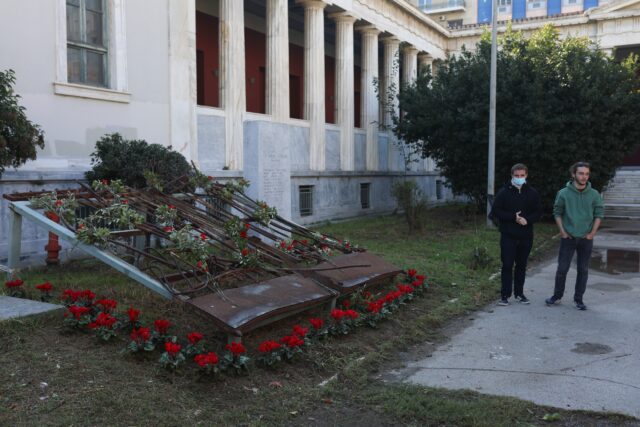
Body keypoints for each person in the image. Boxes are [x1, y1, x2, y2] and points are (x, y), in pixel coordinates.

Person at [546, 162, 604, 310]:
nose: (584, 176)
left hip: (586, 239)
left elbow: (599, 214)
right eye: (581, 173)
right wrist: (563, 232)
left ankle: (579, 300)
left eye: (586, 174)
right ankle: (557, 296)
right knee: (562, 269)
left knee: (583, 270)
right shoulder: (564, 193)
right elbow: (557, 212)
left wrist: (592, 233)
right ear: (573, 174)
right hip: (569, 238)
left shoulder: (594, 194)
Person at [490, 163, 542, 306]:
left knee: (521, 265)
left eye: (522, 176)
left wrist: (527, 220)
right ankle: (505, 295)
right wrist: (513, 217)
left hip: (526, 236)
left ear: (526, 176)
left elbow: (538, 213)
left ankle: (519, 293)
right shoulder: (504, 192)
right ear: (512, 176)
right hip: (508, 235)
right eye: (516, 176)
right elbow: (495, 212)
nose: (519, 178)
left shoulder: (532, 193)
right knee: (507, 265)